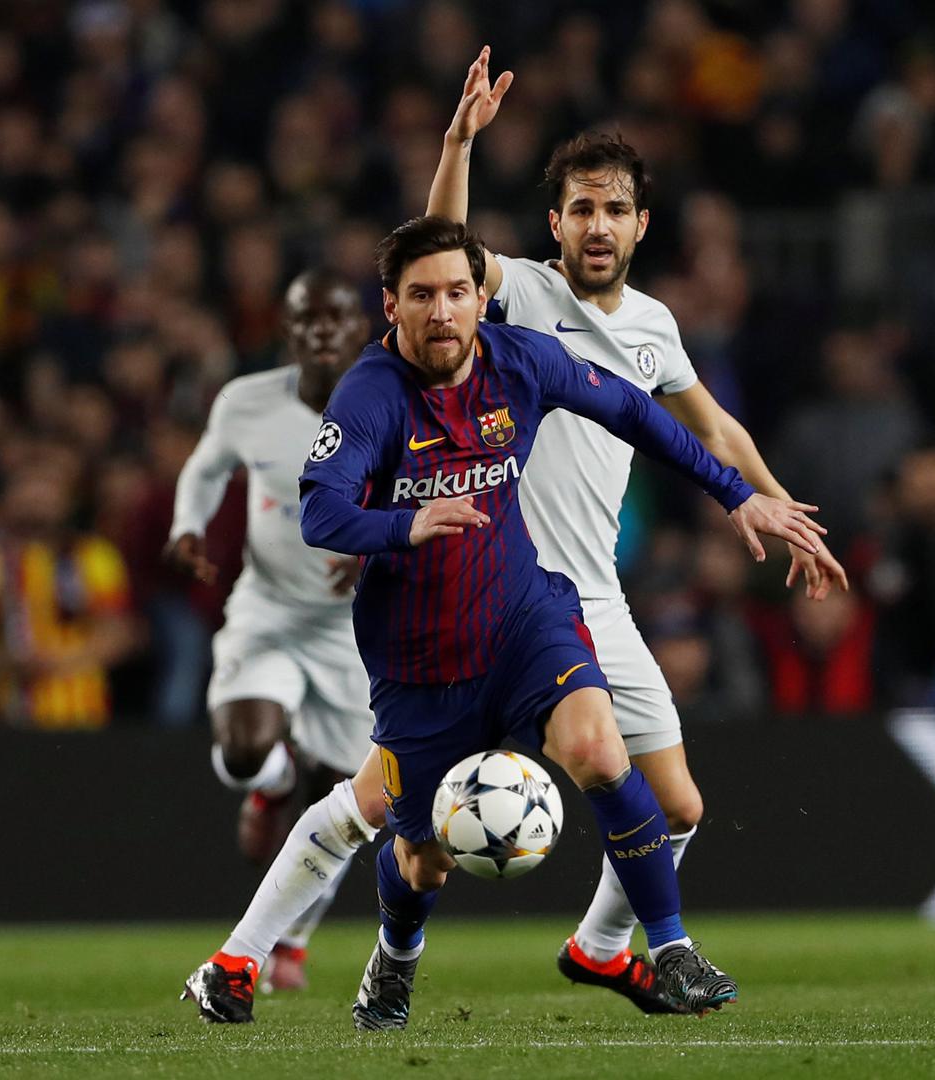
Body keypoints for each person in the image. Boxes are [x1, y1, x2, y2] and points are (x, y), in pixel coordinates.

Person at [184, 216, 824, 1029]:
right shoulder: (371, 394)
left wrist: (736, 494)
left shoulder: (521, 360)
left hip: (524, 620)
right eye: (422, 295)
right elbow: (321, 513)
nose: (443, 311)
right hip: (421, 659)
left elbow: (634, 412)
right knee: (421, 859)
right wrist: (406, 524)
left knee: (599, 751)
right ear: (391, 306)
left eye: (457, 292)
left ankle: (670, 949)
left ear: (479, 298)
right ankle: (393, 959)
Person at [424, 48, 849, 1009]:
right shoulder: (520, 293)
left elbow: (716, 430)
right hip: (498, 593)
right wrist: (458, 145)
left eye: (614, 208)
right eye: (580, 208)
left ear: (640, 223)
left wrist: (779, 506)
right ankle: (309, 951)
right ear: (555, 224)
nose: (597, 224)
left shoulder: (654, 326)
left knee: (681, 805)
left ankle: (598, 946)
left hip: (597, 598)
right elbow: (442, 251)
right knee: (403, 814)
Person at [164, 269, 372, 989]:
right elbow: (204, 470)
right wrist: (188, 526)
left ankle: (292, 942)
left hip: (356, 627)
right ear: (288, 331)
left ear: (361, 327)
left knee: (348, 803)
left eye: (335, 316)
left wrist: (378, 548)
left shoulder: (396, 402)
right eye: (306, 317)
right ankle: (270, 784)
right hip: (271, 607)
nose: (321, 330)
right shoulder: (246, 401)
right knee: (245, 748)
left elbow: (434, 493)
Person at [0, 456, 138, 729]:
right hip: (10, 718)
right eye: (26, 485)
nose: (37, 495)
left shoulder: (95, 557)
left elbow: (118, 634)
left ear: (68, 500)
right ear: (8, 498)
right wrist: (13, 664)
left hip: (83, 715)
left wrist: (58, 661)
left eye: (48, 486)